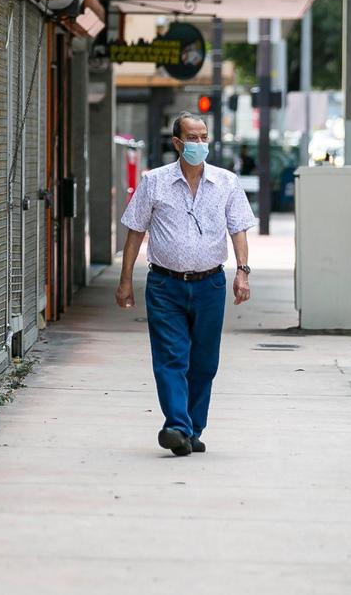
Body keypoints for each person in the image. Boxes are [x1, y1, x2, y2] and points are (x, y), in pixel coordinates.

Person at [116, 112, 257, 457]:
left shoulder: (226, 182)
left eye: (203, 138)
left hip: (210, 285)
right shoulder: (154, 182)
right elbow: (136, 231)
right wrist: (125, 281)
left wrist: (242, 271)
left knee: (204, 362)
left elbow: (238, 228)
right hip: (165, 285)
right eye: (191, 138)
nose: (198, 144)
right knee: (171, 356)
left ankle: (193, 427)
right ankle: (176, 425)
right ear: (177, 143)